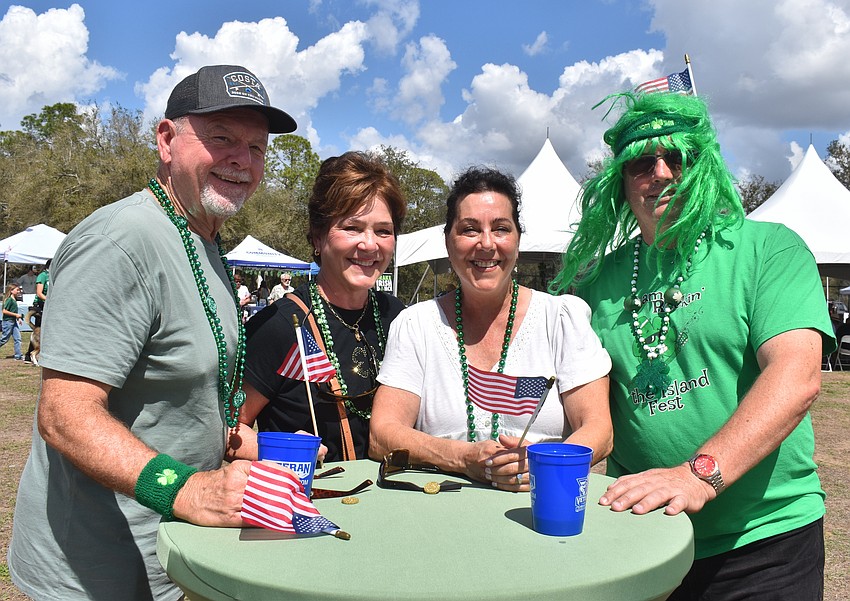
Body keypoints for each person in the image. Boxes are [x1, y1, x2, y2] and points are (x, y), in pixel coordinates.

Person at [8, 64, 298, 601]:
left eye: (256, 148)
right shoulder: (120, 241)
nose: (242, 160)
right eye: (222, 139)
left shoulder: (204, 241)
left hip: (168, 558)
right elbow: (64, 415)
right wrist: (185, 488)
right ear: (167, 140)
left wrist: (237, 442)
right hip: (92, 573)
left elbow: (173, 390)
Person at [551, 92, 834, 600]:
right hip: (643, 533)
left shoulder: (769, 248)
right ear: (621, 179)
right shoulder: (595, 281)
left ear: (703, 166)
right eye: (641, 161)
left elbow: (797, 378)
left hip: (764, 541)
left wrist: (700, 474)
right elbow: (580, 400)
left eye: (678, 156)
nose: (660, 172)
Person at [369, 167, 612, 489]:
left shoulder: (561, 318)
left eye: (500, 229)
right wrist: (462, 458)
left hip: (545, 509)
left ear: (518, 239)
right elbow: (382, 433)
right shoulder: (417, 325)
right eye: (469, 230)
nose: (486, 244)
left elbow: (599, 429)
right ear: (448, 240)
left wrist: (545, 466)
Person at [228, 151, 407, 463]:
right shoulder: (278, 325)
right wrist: (278, 448)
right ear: (318, 237)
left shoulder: (400, 318)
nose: (369, 244)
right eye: (352, 227)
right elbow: (229, 429)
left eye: (383, 230)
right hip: (310, 502)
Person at [1, 283, 25, 360]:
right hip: (8, 322)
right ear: (11, 291)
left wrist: (18, 319)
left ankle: (18, 356)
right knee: (4, 339)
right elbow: (4, 311)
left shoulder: (14, 299)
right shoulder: (9, 300)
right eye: (17, 290)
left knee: (18, 339)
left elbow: (13, 311)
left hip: (13, 322)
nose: (18, 291)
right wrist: (16, 315)